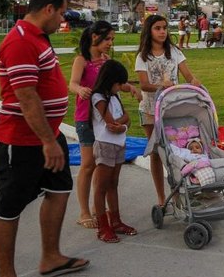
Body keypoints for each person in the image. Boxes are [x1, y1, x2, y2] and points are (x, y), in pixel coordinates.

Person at [0, 0, 89, 277]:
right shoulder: (20, 41)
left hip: (48, 135)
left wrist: (51, 137)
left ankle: (51, 257)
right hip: (22, 140)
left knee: (59, 190)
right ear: (48, 9)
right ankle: (7, 274)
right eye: (61, 13)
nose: (62, 20)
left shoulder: (38, 38)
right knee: (9, 207)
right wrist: (48, 141)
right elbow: (27, 97)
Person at [68, 20, 139, 230]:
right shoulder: (82, 60)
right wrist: (80, 90)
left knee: (103, 166)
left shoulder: (106, 60)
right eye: (107, 38)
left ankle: (100, 209)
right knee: (88, 164)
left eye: (112, 39)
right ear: (94, 37)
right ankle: (84, 212)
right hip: (86, 119)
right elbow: (72, 83)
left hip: (104, 120)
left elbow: (114, 83)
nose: (110, 43)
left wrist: (130, 88)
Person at [135, 14, 204, 208]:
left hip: (172, 109)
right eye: (157, 28)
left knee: (176, 150)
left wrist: (194, 82)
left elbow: (188, 75)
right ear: (149, 31)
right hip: (151, 110)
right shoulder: (143, 57)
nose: (162, 32)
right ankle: (161, 196)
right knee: (157, 153)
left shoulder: (174, 52)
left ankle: (177, 193)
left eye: (164, 28)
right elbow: (144, 85)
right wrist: (161, 86)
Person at [90, 59, 136, 243]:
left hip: (119, 144)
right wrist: (123, 123)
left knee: (113, 183)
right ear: (110, 81)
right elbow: (111, 123)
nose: (120, 87)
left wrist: (122, 126)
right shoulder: (98, 98)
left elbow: (126, 118)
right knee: (101, 186)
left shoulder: (115, 96)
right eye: (118, 83)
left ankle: (116, 221)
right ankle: (103, 227)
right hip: (105, 145)